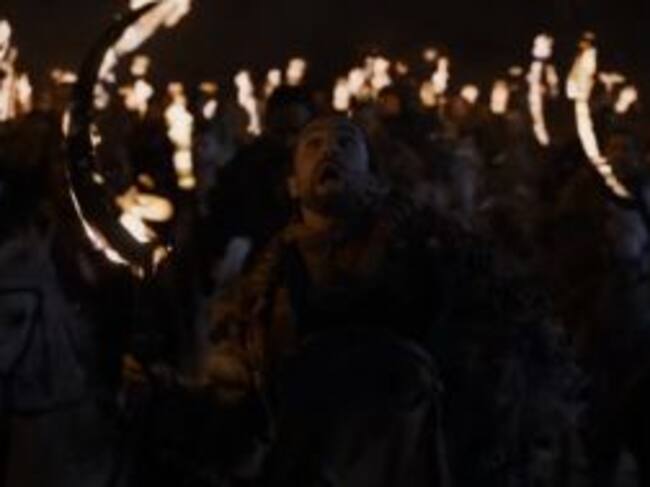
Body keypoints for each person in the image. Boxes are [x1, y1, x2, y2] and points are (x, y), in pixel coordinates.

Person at [204, 116, 575, 486]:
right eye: (313, 144)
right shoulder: (268, 276)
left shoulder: (421, 242)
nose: (330, 150)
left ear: (369, 176)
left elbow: (485, 339)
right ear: (293, 185)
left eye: (345, 143)